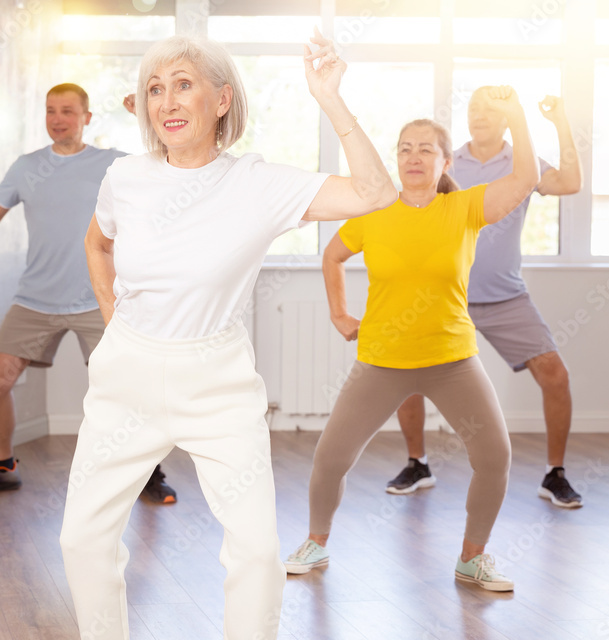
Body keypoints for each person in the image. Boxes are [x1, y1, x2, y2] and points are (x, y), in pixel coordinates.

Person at [59, 30, 397, 639]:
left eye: (183, 84)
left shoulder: (256, 183)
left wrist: (330, 99)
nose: (166, 101)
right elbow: (97, 243)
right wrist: (113, 322)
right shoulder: (126, 178)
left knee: (256, 550)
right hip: (127, 376)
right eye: (155, 89)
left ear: (221, 100)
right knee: (81, 539)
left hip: (217, 379)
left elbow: (377, 193)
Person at [286, 91, 539, 592]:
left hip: (452, 359)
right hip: (381, 360)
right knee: (330, 458)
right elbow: (332, 256)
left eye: (426, 148)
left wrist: (518, 119)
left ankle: (472, 557)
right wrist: (339, 311)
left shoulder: (465, 208)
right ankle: (315, 542)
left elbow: (526, 179)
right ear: (396, 159)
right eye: (405, 148)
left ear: (446, 161)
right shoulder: (373, 210)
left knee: (495, 456)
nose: (414, 156)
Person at [0, 83, 177, 503]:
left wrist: (144, 116)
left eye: (68, 111)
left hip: (100, 298)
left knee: (131, 388)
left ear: (86, 117)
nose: (58, 119)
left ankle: (148, 471)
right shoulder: (26, 167)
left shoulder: (113, 164)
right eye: (51, 110)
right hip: (36, 298)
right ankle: (2, 467)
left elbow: (171, 162)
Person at [387, 89, 583, 508]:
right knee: (408, 376)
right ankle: (417, 463)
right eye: (473, 109)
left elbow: (570, 183)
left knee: (555, 376)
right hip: (441, 296)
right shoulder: (446, 160)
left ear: (507, 118)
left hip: (504, 297)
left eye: (488, 110)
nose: (478, 116)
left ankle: (556, 474)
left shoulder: (522, 162)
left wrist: (561, 123)